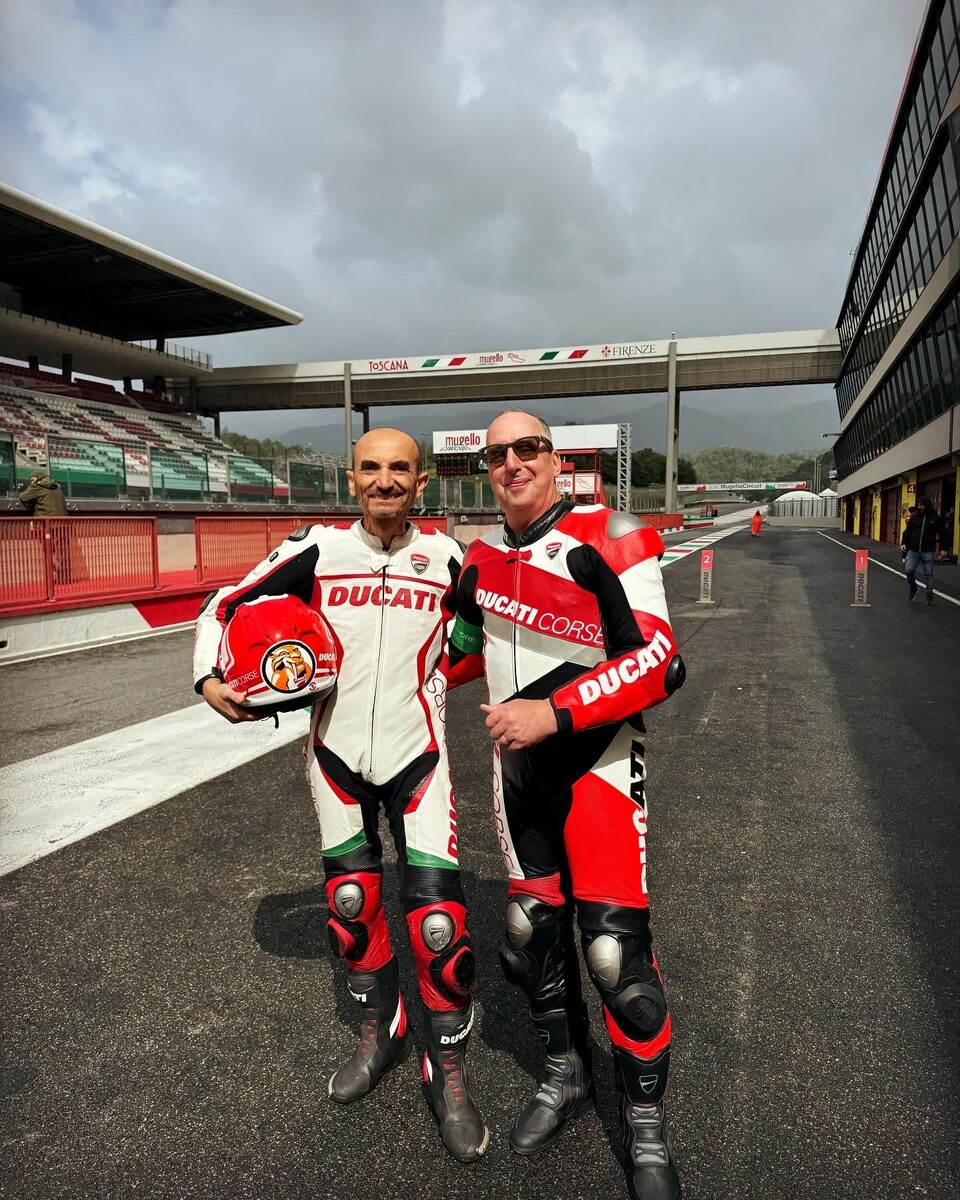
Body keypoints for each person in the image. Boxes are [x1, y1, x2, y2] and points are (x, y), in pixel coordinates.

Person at [193, 428, 488, 1162]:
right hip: (333, 759)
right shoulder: (316, 548)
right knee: (351, 908)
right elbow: (223, 605)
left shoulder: (452, 559)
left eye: (399, 470)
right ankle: (378, 1030)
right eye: (371, 469)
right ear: (351, 479)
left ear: (422, 484)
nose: (384, 481)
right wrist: (208, 679)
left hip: (420, 759)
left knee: (439, 928)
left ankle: (447, 1071)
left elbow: (494, 638)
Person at [446, 411, 686, 1200]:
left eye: (529, 448)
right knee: (526, 939)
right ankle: (567, 1072)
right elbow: (458, 654)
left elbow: (658, 659)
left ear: (555, 460)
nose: (513, 462)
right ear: (486, 469)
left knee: (617, 960)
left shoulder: (608, 532)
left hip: (602, 766)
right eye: (498, 454)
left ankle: (645, 1131)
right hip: (516, 776)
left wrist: (552, 713)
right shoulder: (477, 560)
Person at [900, 495, 943, 605]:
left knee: (928, 574)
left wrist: (943, 549)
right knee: (909, 570)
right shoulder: (914, 518)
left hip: (928, 551)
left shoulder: (935, 518)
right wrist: (904, 543)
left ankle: (929, 594)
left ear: (927, 505)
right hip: (913, 550)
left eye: (922, 505)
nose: (920, 507)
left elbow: (942, 534)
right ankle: (913, 587)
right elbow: (907, 532)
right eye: (918, 505)